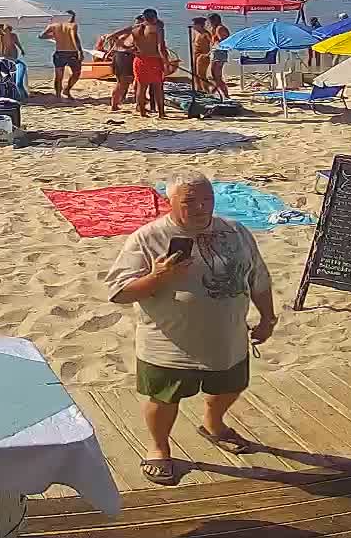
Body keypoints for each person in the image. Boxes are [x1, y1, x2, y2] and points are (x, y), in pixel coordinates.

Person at [105, 174, 275, 486]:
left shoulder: (235, 232)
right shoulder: (148, 238)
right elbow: (119, 292)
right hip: (169, 343)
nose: (201, 208)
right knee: (163, 398)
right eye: (189, 202)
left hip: (227, 339)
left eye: (207, 200)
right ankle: (158, 448)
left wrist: (268, 317)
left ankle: (213, 424)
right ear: (169, 203)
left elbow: (259, 278)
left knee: (231, 387)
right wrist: (158, 277)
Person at [132, 9, 170, 118]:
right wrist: (166, 62)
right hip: (154, 60)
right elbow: (160, 48)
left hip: (139, 60)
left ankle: (142, 112)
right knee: (158, 88)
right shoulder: (157, 29)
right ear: (155, 17)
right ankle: (161, 113)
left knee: (141, 87)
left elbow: (119, 37)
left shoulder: (135, 29)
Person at [41, 11, 83, 99]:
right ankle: (66, 90)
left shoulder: (52, 26)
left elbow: (41, 36)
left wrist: (53, 36)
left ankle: (58, 95)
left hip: (60, 52)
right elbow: (75, 38)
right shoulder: (73, 26)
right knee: (76, 73)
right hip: (72, 52)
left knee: (59, 76)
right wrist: (80, 51)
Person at [99, 21, 137, 113]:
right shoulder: (137, 31)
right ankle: (136, 103)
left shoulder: (128, 31)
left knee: (122, 82)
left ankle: (115, 104)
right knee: (127, 82)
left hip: (118, 56)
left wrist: (108, 53)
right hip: (125, 56)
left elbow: (114, 39)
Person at [207, 14, 232, 98]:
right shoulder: (216, 28)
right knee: (214, 75)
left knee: (217, 76)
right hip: (217, 53)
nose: (209, 23)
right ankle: (213, 92)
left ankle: (225, 95)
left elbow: (224, 42)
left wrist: (215, 44)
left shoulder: (220, 28)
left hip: (219, 54)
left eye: (210, 21)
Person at [188, 17, 212, 93]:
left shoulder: (206, 33)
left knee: (201, 74)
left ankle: (206, 90)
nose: (193, 26)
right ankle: (198, 89)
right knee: (194, 73)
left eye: (194, 24)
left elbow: (214, 44)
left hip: (203, 55)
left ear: (199, 25)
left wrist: (208, 54)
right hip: (196, 55)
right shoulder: (196, 32)